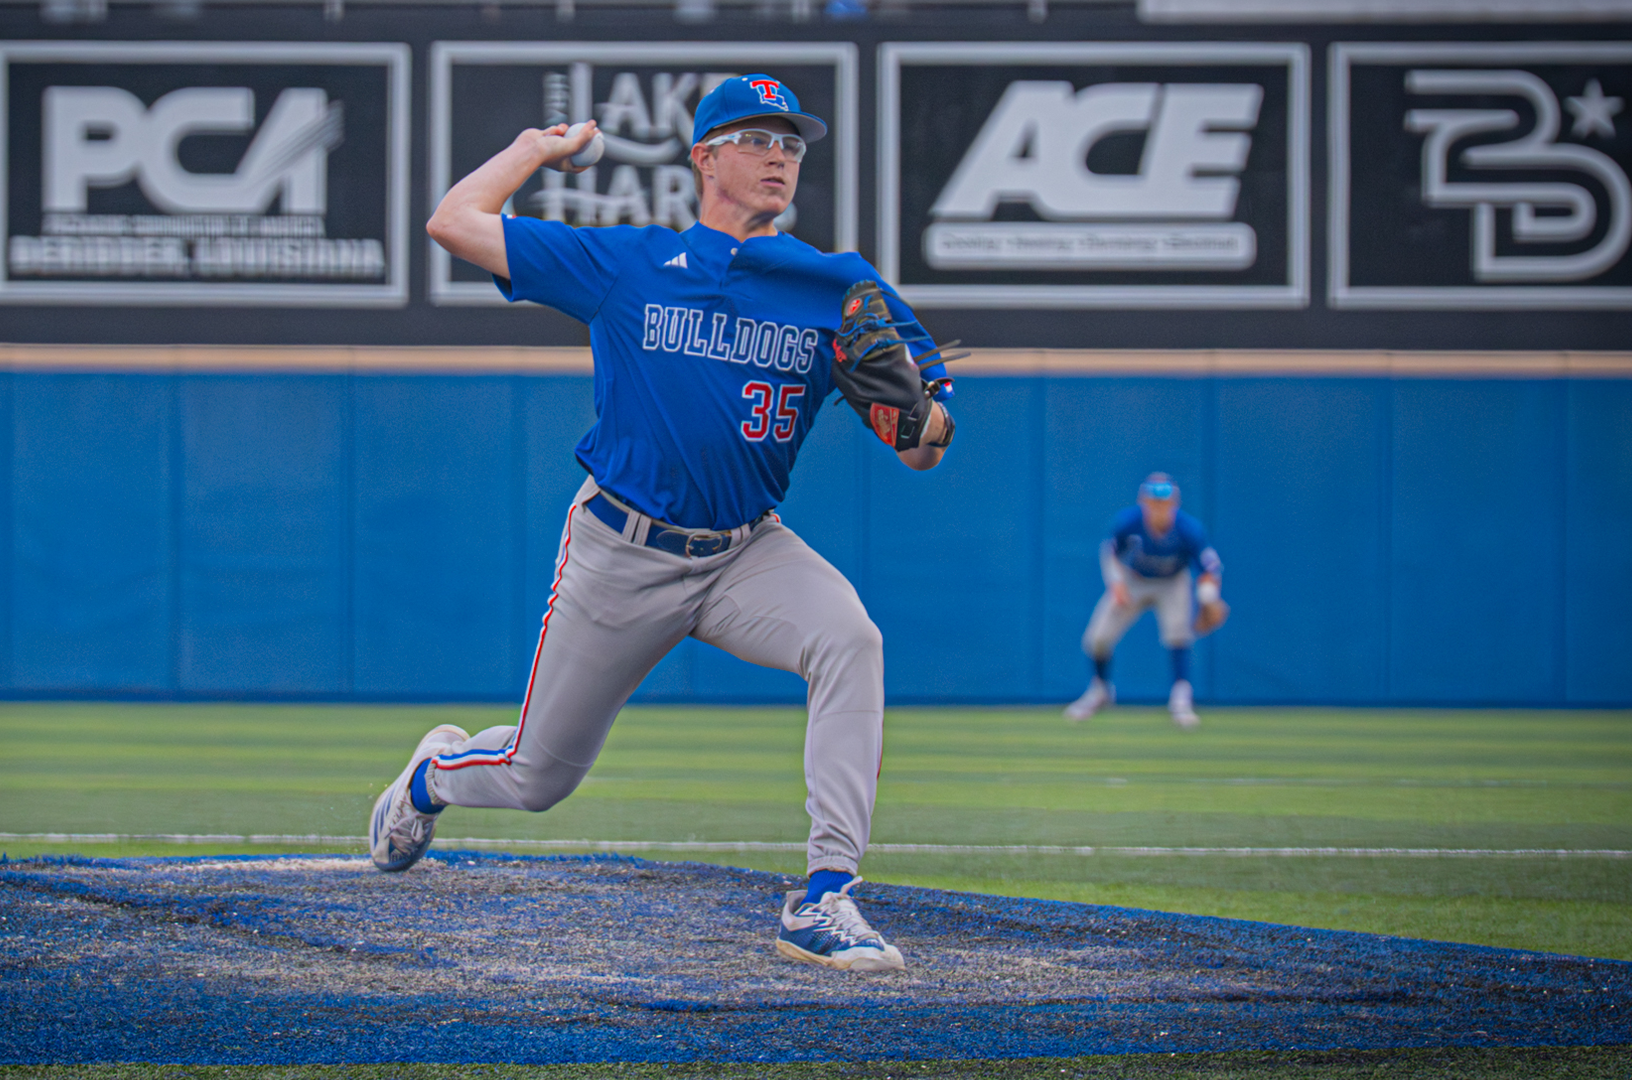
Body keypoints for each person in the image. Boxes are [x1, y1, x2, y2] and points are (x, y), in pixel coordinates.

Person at [368, 75, 955, 972]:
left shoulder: (836, 285)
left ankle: (827, 895)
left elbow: (924, 449)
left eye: (792, 144)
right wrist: (534, 150)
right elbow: (453, 222)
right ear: (705, 157)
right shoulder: (627, 263)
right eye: (758, 138)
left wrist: (919, 416)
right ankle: (430, 778)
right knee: (537, 779)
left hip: (744, 551)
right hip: (620, 550)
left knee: (850, 638)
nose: (779, 157)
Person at [1064, 473, 1226, 729]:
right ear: (1143, 501)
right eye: (1153, 502)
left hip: (1173, 582)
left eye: (1164, 502)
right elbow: (1110, 551)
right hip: (1134, 580)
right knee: (1097, 639)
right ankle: (1100, 689)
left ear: (1175, 503)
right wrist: (1116, 583)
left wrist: (1208, 597)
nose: (1158, 508)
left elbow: (1210, 567)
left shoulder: (1188, 529)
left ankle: (1181, 697)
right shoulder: (1129, 522)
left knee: (1178, 634)